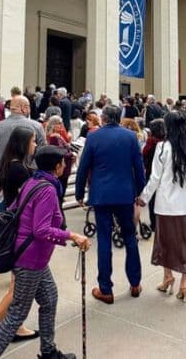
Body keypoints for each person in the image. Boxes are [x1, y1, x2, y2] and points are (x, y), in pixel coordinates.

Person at [0, 146, 90, 359]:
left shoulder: (33, 182)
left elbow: (15, 211)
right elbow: (41, 230)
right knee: (17, 313)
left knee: (49, 299)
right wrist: (72, 236)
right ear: (56, 167)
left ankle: (48, 351)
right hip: (30, 259)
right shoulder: (47, 189)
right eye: (63, 163)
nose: (65, 166)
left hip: (32, 257)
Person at [0, 126, 43, 343]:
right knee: (18, 287)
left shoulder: (12, 164)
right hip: (19, 230)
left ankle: (17, 324)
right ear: (24, 144)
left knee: (20, 286)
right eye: (33, 141)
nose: (35, 145)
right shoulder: (18, 170)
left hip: (17, 228)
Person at [75, 104, 146, 304]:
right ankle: (135, 283)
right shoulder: (130, 137)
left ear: (104, 118)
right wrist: (140, 191)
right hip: (125, 194)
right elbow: (139, 168)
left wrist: (80, 192)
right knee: (130, 237)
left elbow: (84, 167)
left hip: (102, 195)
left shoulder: (94, 137)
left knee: (104, 240)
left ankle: (106, 288)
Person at [0, 96, 46, 283]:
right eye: (28, 106)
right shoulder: (36, 127)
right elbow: (41, 156)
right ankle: (18, 271)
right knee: (22, 229)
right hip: (24, 188)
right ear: (22, 108)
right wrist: (31, 177)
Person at [137, 111, 186, 302]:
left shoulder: (162, 147)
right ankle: (184, 282)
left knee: (165, 242)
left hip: (166, 203)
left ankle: (168, 277)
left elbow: (155, 177)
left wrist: (143, 197)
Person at [142, 119, 166, 231]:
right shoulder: (167, 141)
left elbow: (143, 153)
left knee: (153, 199)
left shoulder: (151, 141)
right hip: (164, 173)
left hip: (151, 170)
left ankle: (154, 224)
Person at [45, 115, 74, 198]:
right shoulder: (54, 137)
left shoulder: (56, 136)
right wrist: (72, 154)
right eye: (59, 123)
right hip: (61, 169)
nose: (61, 125)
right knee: (60, 194)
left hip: (63, 168)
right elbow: (61, 153)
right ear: (53, 125)